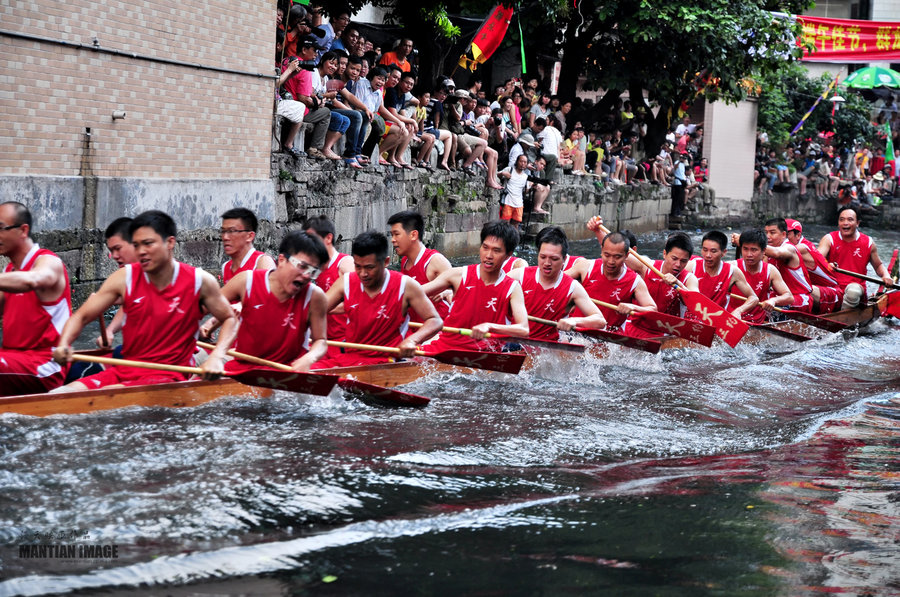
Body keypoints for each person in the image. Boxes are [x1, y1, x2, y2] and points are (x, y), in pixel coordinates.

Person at [51, 211, 236, 392]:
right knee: (59, 394)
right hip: (125, 370)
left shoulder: (200, 281)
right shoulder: (124, 278)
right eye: (137, 245)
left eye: (148, 244)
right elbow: (81, 316)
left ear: (170, 242)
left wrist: (217, 356)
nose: (141, 252)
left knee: (105, 394)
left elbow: (230, 318)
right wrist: (63, 344)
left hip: (169, 375)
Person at [316, 231, 442, 368]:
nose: (363, 274)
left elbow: (435, 320)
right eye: (358, 266)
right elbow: (314, 312)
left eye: (369, 267)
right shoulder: (345, 282)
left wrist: (412, 340)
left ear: (386, 262)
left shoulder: (406, 285)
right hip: (351, 358)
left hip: (387, 361)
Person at [219, 231, 329, 373]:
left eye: (313, 272)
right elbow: (207, 307)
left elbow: (321, 341)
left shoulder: (315, 297)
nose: (306, 276)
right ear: (282, 260)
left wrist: (309, 358)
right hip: (244, 369)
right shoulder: (246, 281)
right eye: (302, 266)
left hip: (287, 371)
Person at [421, 221, 530, 351]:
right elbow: (413, 293)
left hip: (485, 355)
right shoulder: (457, 275)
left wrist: (490, 326)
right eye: (485, 247)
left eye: (496, 250)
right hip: (446, 349)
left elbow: (524, 329)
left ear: (508, 255)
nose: (488, 255)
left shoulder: (513, 288)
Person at [0, 201, 72, 396]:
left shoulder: (49, 262)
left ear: (23, 230)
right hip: (11, 361)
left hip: (45, 366)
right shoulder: (8, 272)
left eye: (1, 228)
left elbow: (33, 280)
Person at [507, 226, 606, 341]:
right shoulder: (519, 276)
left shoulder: (572, 288)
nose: (547, 263)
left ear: (564, 260)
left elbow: (600, 320)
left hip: (546, 347)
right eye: (543, 257)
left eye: (554, 259)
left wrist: (574, 321)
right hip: (514, 341)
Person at [568, 225, 656, 335]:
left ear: (627, 255)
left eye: (617, 257)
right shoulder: (586, 267)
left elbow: (652, 309)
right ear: (601, 251)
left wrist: (632, 307)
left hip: (609, 337)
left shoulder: (635, 281)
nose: (611, 261)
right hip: (577, 331)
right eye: (607, 255)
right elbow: (557, 281)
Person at [818, 206, 893, 309]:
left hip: (856, 289)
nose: (845, 223)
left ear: (857, 223)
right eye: (842, 219)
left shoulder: (868, 242)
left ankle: (843, 320)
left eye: (850, 220)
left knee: (853, 292)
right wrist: (826, 264)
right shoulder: (828, 239)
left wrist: (886, 275)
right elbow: (816, 260)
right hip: (833, 287)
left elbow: (878, 265)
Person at [388, 210, 452, 321]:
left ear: (413, 235)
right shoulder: (405, 261)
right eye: (392, 235)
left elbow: (460, 289)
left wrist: (449, 291)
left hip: (438, 331)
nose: (393, 240)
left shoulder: (435, 260)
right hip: (416, 327)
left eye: (396, 234)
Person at [623, 226, 699, 317]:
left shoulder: (690, 279)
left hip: (668, 328)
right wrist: (600, 231)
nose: (678, 264)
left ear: (688, 260)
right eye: (674, 259)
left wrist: (679, 284)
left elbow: (696, 304)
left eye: (683, 261)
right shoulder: (647, 266)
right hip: (638, 324)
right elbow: (616, 253)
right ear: (664, 254)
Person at [304, 215, 353, 356]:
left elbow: (360, 302)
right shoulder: (312, 268)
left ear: (328, 238)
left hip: (345, 342)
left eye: (313, 240)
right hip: (322, 341)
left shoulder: (345, 264)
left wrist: (320, 309)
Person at [685, 230, 758, 317]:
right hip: (690, 318)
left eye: (713, 251)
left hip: (716, 320)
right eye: (705, 250)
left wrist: (738, 311)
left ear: (724, 252)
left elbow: (754, 298)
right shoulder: (690, 266)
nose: (708, 255)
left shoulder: (732, 271)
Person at [728, 229, 793, 323]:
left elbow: (789, 297)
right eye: (745, 249)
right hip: (732, 319)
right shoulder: (731, 267)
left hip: (757, 323)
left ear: (764, 252)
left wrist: (773, 300)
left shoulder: (770, 270)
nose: (749, 254)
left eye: (754, 250)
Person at [784, 219, 843, 314]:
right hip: (816, 291)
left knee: (797, 291)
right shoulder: (790, 246)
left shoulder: (801, 248)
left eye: (786, 235)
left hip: (833, 293)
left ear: (798, 235)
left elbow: (775, 252)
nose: (783, 238)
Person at [96, 217, 139, 348]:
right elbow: (128, 305)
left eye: (118, 248)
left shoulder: (160, 273)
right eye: (111, 251)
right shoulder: (127, 276)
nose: (114, 256)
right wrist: (109, 331)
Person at [761, 218, 814, 313]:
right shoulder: (767, 251)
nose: (768, 236)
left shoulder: (789, 248)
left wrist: (749, 242)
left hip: (799, 298)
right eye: (766, 233)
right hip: (780, 297)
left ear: (784, 234)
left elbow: (777, 253)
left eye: (772, 233)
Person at [219, 208, 276, 284]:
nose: (225, 237)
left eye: (232, 231)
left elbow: (271, 293)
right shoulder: (226, 267)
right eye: (223, 231)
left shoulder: (262, 262)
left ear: (249, 236)